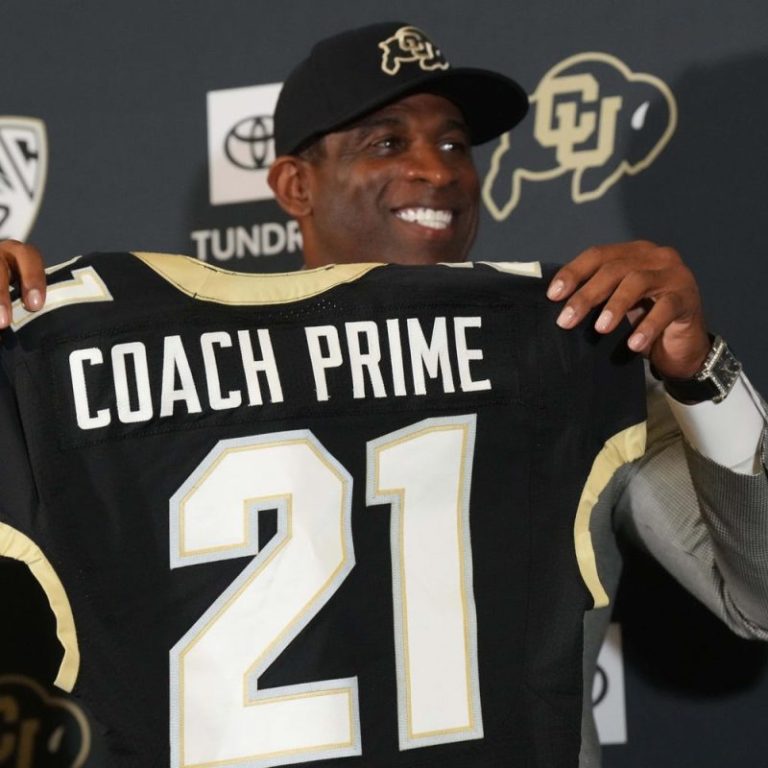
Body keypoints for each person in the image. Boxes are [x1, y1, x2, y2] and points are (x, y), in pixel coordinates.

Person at [1, 20, 766, 768]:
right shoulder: (100, 362)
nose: (437, 171)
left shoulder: (572, 356)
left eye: (455, 144)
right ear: (295, 185)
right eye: (387, 143)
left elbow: (759, 599)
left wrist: (699, 368)